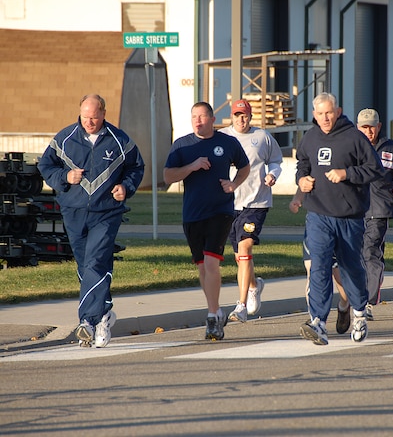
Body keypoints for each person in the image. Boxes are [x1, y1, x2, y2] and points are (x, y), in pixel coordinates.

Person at [38, 94, 145, 348]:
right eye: (85, 117)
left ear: (104, 114)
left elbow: (136, 167)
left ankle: (87, 321)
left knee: (96, 261)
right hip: (73, 212)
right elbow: (45, 165)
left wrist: (125, 187)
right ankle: (104, 315)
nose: (89, 122)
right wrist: (65, 176)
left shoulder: (120, 140)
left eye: (94, 117)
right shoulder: (65, 138)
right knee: (87, 265)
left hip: (106, 213)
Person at [295, 92, 383, 345]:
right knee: (319, 265)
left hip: (349, 216)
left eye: (329, 112)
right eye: (320, 113)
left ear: (338, 111)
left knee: (350, 268)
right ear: (314, 114)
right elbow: (302, 163)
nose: (324, 118)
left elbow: (375, 168)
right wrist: (301, 180)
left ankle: (358, 312)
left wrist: (347, 173)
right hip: (318, 213)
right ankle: (318, 322)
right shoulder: (310, 137)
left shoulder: (354, 137)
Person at [163, 101, 250, 341]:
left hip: (220, 211)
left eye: (202, 117)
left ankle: (212, 315)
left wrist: (233, 184)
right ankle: (217, 309)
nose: (198, 121)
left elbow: (244, 167)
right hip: (192, 214)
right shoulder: (182, 145)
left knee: (211, 263)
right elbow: (168, 176)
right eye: (194, 117)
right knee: (202, 267)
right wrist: (191, 166)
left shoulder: (227, 142)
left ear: (212, 119)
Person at [220, 99, 283, 323]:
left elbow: (276, 161)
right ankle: (255, 286)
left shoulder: (262, 137)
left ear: (250, 116)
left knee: (246, 247)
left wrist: (272, 174)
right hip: (229, 204)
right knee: (240, 256)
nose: (241, 119)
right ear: (231, 116)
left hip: (256, 202)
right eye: (237, 115)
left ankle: (241, 305)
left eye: (244, 115)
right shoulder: (222, 138)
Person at [356, 108, 393, 321]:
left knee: (370, 251)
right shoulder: (351, 145)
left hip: (379, 209)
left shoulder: (389, 148)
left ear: (379, 127)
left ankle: (367, 302)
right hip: (354, 209)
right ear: (357, 127)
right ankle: (355, 298)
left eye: (372, 127)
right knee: (355, 254)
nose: (369, 131)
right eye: (364, 127)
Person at [290, 188, 351, 335]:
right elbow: (305, 178)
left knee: (339, 276)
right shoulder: (314, 165)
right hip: (317, 224)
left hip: (340, 221)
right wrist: (297, 198)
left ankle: (344, 305)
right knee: (313, 272)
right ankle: (315, 320)